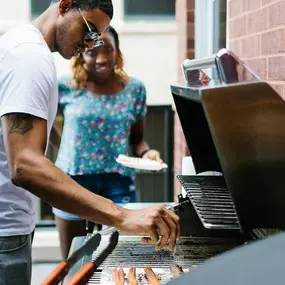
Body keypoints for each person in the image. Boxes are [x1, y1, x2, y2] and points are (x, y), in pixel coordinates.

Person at [0, 0, 179, 284]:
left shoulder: (22, 47)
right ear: (65, 5)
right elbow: (24, 165)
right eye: (90, 30)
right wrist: (122, 216)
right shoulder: (29, 57)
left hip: (13, 224)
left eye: (98, 37)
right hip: (5, 231)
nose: (91, 44)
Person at [51, 25, 163, 258]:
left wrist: (147, 154)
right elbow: (43, 120)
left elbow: (137, 140)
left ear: (117, 51)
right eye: (93, 52)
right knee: (74, 261)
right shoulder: (65, 86)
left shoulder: (135, 89)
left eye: (108, 50)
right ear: (81, 54)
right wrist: (63, 147)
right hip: (74, 182)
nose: (102, 59)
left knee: (121, 256)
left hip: (118, 182)